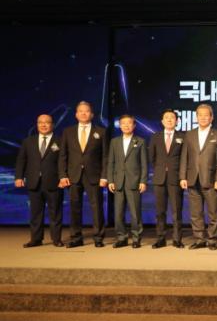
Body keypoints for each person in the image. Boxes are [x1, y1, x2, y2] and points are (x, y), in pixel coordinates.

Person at [58, 101, 108, 248]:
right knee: (75, 207)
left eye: (86, 111)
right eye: (81, 111)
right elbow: (63, 155)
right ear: (76, 114)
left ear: (92, 114)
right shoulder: (68, 132)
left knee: (97, 207)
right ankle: (76, 238)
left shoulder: (101, 131)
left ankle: (98, 237)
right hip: (73, 175)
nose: (84, 113)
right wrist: (63, 175)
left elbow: (105, 156)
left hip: (94, 175)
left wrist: (104, 176)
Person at [14, 114, 63, 247]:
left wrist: (63, 177)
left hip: (54, 182)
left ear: (52, 125)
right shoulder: (28, 141)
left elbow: (63, 161)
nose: (43, 125)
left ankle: (56, 239)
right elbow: (21, 160)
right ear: (37, 125)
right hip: (34, 182)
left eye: (47, 122)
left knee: (55, 212)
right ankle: (36, 239)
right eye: (40, 122)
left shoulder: (60, 141)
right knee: (35, 213)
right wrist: (18, 176)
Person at [179, 103, 217, 250]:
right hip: (192, 178)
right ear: (196, 117)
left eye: (206, 115)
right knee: (195, 213)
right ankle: (199, 240)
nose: (203, 118)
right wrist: (182, 177)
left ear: (211, 118)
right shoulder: (189, 134)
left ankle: (212, 240)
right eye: (200, 115)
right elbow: (184, 156)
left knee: (213, 213)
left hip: (211, 180)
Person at [107, 115, 148, 248]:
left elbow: (144, 164)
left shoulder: (140, 141)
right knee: (118, 213)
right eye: (123, 123)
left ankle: (136, 238)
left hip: (134, 181)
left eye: (129, 123)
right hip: (118, 181)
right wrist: (110, 180)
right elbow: (111, 162)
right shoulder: (114, 142)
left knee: (135, 212)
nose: (126, 125)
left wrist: (143, 181)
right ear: (119, 125)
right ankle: (121, 237)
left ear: (134, 125)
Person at [148, 109, 185, 249]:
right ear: (162, 121)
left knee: (176, 210)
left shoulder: (182, 137)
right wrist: (160, 169)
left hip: (175, 178)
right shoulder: (155, 137)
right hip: (159, 178)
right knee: (160, 211)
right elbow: (151, 157)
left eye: (172, 118)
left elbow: (184, 158)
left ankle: (177, 239)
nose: (169, 120)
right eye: (166, 117)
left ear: (177, 121)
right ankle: (160, 238)